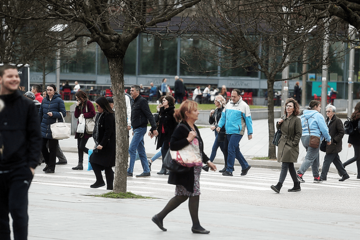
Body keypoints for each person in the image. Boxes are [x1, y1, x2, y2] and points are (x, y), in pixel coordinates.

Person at [151, 100, 217, 234]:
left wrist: (208, 161)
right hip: (186, 168)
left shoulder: (192, 127)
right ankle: (195, 225)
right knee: (191, 194)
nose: (198, 112)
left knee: (186, 195)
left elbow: (197, 148)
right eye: (195, 110)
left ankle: (160, 217)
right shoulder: (182, 128)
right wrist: (187, 139)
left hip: (193, 167)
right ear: (187, 113)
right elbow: (173, 145)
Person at [0, 64, 42, 240]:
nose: (15, 79)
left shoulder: (27, 105)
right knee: (0, 219)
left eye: (16, 76)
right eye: (10, 76)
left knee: (19, 214)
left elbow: (35, 136)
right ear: (1, 79)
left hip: (20, 169)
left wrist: (31, 166)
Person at [217, 89, 253, 176]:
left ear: (239, 96)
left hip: (237, 131)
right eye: (231, 96)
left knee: (230, 148)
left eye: (234, 96)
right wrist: (219, 125)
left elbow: (248, 120)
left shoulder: (244, 106)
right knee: (235, 150)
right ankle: (245, 166)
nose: (232, 98)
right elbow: (223, 117)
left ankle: (229, 170)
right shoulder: (228, 104)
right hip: (228, 131)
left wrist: (250, 132)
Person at [271, 98, 302, 193]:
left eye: (290, 106)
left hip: (291, 145)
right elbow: (279, 130)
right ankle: (296, 184)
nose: (288, 108)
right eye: (287, 106)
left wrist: (293, 144)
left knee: (285, 164)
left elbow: (298, 133)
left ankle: (279, 185)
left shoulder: (296, 120)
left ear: (294, 108)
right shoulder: (284, 117)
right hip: (282, 143)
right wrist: (278, 123)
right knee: (290, 165)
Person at [297, 100, 331, 183]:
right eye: (319, 106)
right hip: (314, 138)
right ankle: (299, 174)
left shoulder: (303, 116)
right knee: (309, 158)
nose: (320, 108)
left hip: (304, 137)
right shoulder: (318, 115)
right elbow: (324, 129)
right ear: (315, 106)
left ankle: (316, 176)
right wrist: (328, 139)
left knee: (314, 156)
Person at [127, 85, 158, 177]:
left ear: (137, 92)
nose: (130, 92)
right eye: (130, 90)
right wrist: (133, 127)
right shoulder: (133, 102)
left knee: (131, 149)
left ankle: (129, 171)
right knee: (141, 151)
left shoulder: (142, 101)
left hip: (141, 128)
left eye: (132, 90)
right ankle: (146, 170)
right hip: (136, 128)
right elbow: (134, 116)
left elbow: (149, 115)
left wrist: (154, 128)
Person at [89, 97, 115, 189]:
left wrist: (102, 144)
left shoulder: (109, 116)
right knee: (102, 164)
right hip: (101, 144)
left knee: (98, 161)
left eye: (98, 106)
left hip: (108, 145)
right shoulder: (100, 115)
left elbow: (109, 132)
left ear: (103, 106)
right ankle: (104, 183)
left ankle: (106, 184)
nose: (97, 108)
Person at [39, 84, 66, 173]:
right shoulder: (44, 100)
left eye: (50, 90)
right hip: (44, 127)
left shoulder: (59, 101)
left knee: (52, 149)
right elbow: (40, 114)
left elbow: (63, 113)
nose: (48, 91)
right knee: (42, 146)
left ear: (54, 90)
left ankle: (51, 167)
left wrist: (53, 114)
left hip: (54, 128)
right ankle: (48, 163)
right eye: (47, 90)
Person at [320, 105, 349, 181]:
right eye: (326, 111)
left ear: (333, 112)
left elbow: (341, 132)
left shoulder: (337, 120)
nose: (327, 113)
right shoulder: (327, 120)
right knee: (336, 161)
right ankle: (345, 174)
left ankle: (323, 176)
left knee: (327, 160)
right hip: (328, 144)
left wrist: (334, 141)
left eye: (329, 111)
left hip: (334, 144)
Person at [203, 95, 227, 172]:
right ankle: (228, 166)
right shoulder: (216, 110)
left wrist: (215, 126)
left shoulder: (224, 110)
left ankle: (208, 165)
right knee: (224, 150)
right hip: (217, 133)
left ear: (219, 102)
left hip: (222, 132)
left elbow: (224, 122)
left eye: (216, 100)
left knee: (214, 148)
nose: (214, 102)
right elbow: (211, 122)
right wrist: (210, 115)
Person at [73, 90, 96, 170]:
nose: (77, 100)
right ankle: (80, 164)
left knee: (81, 146)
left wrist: (84, 115)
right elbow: (76, 115)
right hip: (80, 128)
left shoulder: (88, 103)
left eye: (78, 99)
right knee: (79, 147)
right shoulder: (79, 105)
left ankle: (93, 155)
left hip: (86, 128)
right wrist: (77, 106)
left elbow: (93, 113)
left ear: (81, 97)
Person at [155, 96, 177, 175]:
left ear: (169, 102)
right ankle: (165, 168)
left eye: (164, 100)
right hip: (162, 134)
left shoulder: (172, 111)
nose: (163, 102)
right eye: (162, 100)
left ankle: (167, 168)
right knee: (164, 150)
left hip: (170, 134)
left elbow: (175, 124)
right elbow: (158, 122)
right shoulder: (162, 111)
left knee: (167, 150)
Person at [343, 102, 360, 178]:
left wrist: (350, 141)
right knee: (357, 156)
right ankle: (343, 165)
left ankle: (359, 174)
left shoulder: (354, 115)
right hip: (358, 138)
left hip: (353, 138)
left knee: (358, 157)